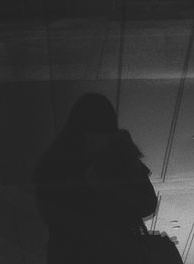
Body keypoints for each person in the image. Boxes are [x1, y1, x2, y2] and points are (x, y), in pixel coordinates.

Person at [35, 93, 158, 263]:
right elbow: (147, 202)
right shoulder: (120, 153)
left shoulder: (55, 162)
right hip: (117, 250)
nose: (100, 141)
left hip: (80, 252)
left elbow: (51, 214)